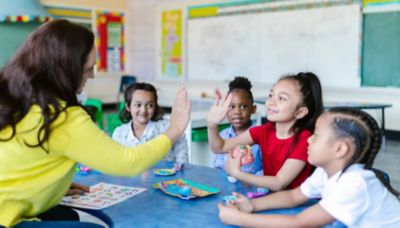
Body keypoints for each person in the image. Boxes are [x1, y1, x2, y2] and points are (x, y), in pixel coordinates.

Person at [0, 19, 191, 227]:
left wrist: (50, 185)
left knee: (67, 216)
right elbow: (129, 161)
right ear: (65, 69)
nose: (92, 75)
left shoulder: (16, 97)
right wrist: (176, 128)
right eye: (88, 68)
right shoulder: (60, 116)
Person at [218, 108, 400, 227]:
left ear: (340, 149)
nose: (309, 139)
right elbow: (293, 196)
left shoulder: (355, 183)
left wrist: (241, 219)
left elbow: (299, 223)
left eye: (317, 136)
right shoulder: (325, 172)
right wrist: (252, 205)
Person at [207, 72, 323, 191]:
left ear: (300, 112)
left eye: (281, 98)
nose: (271, 102)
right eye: (271, 95)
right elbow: (220, 147)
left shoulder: (305, 140)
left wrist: (238, 174)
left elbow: (279, 182)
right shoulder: (264, 131)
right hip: (270, 199)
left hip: (295, 206)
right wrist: (212, 125)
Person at [112, 82, 188, 165]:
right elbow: (117, 161)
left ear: (155, 106)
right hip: (133, 177)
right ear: (128, 107)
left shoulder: (166, 127)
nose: (143, 110)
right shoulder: (119, 133)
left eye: (150, 105)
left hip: (167, 176)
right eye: (138, 105)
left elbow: (181, 143)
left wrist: (180, 167)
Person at [211, 77, 262, 183]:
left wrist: (255, 181)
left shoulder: (261, 136)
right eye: (231, 107)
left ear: (253, 109)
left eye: (243, 106)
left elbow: (266, 169)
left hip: (252, 187)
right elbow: (218, 166)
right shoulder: (222, 136)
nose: (237, 112)